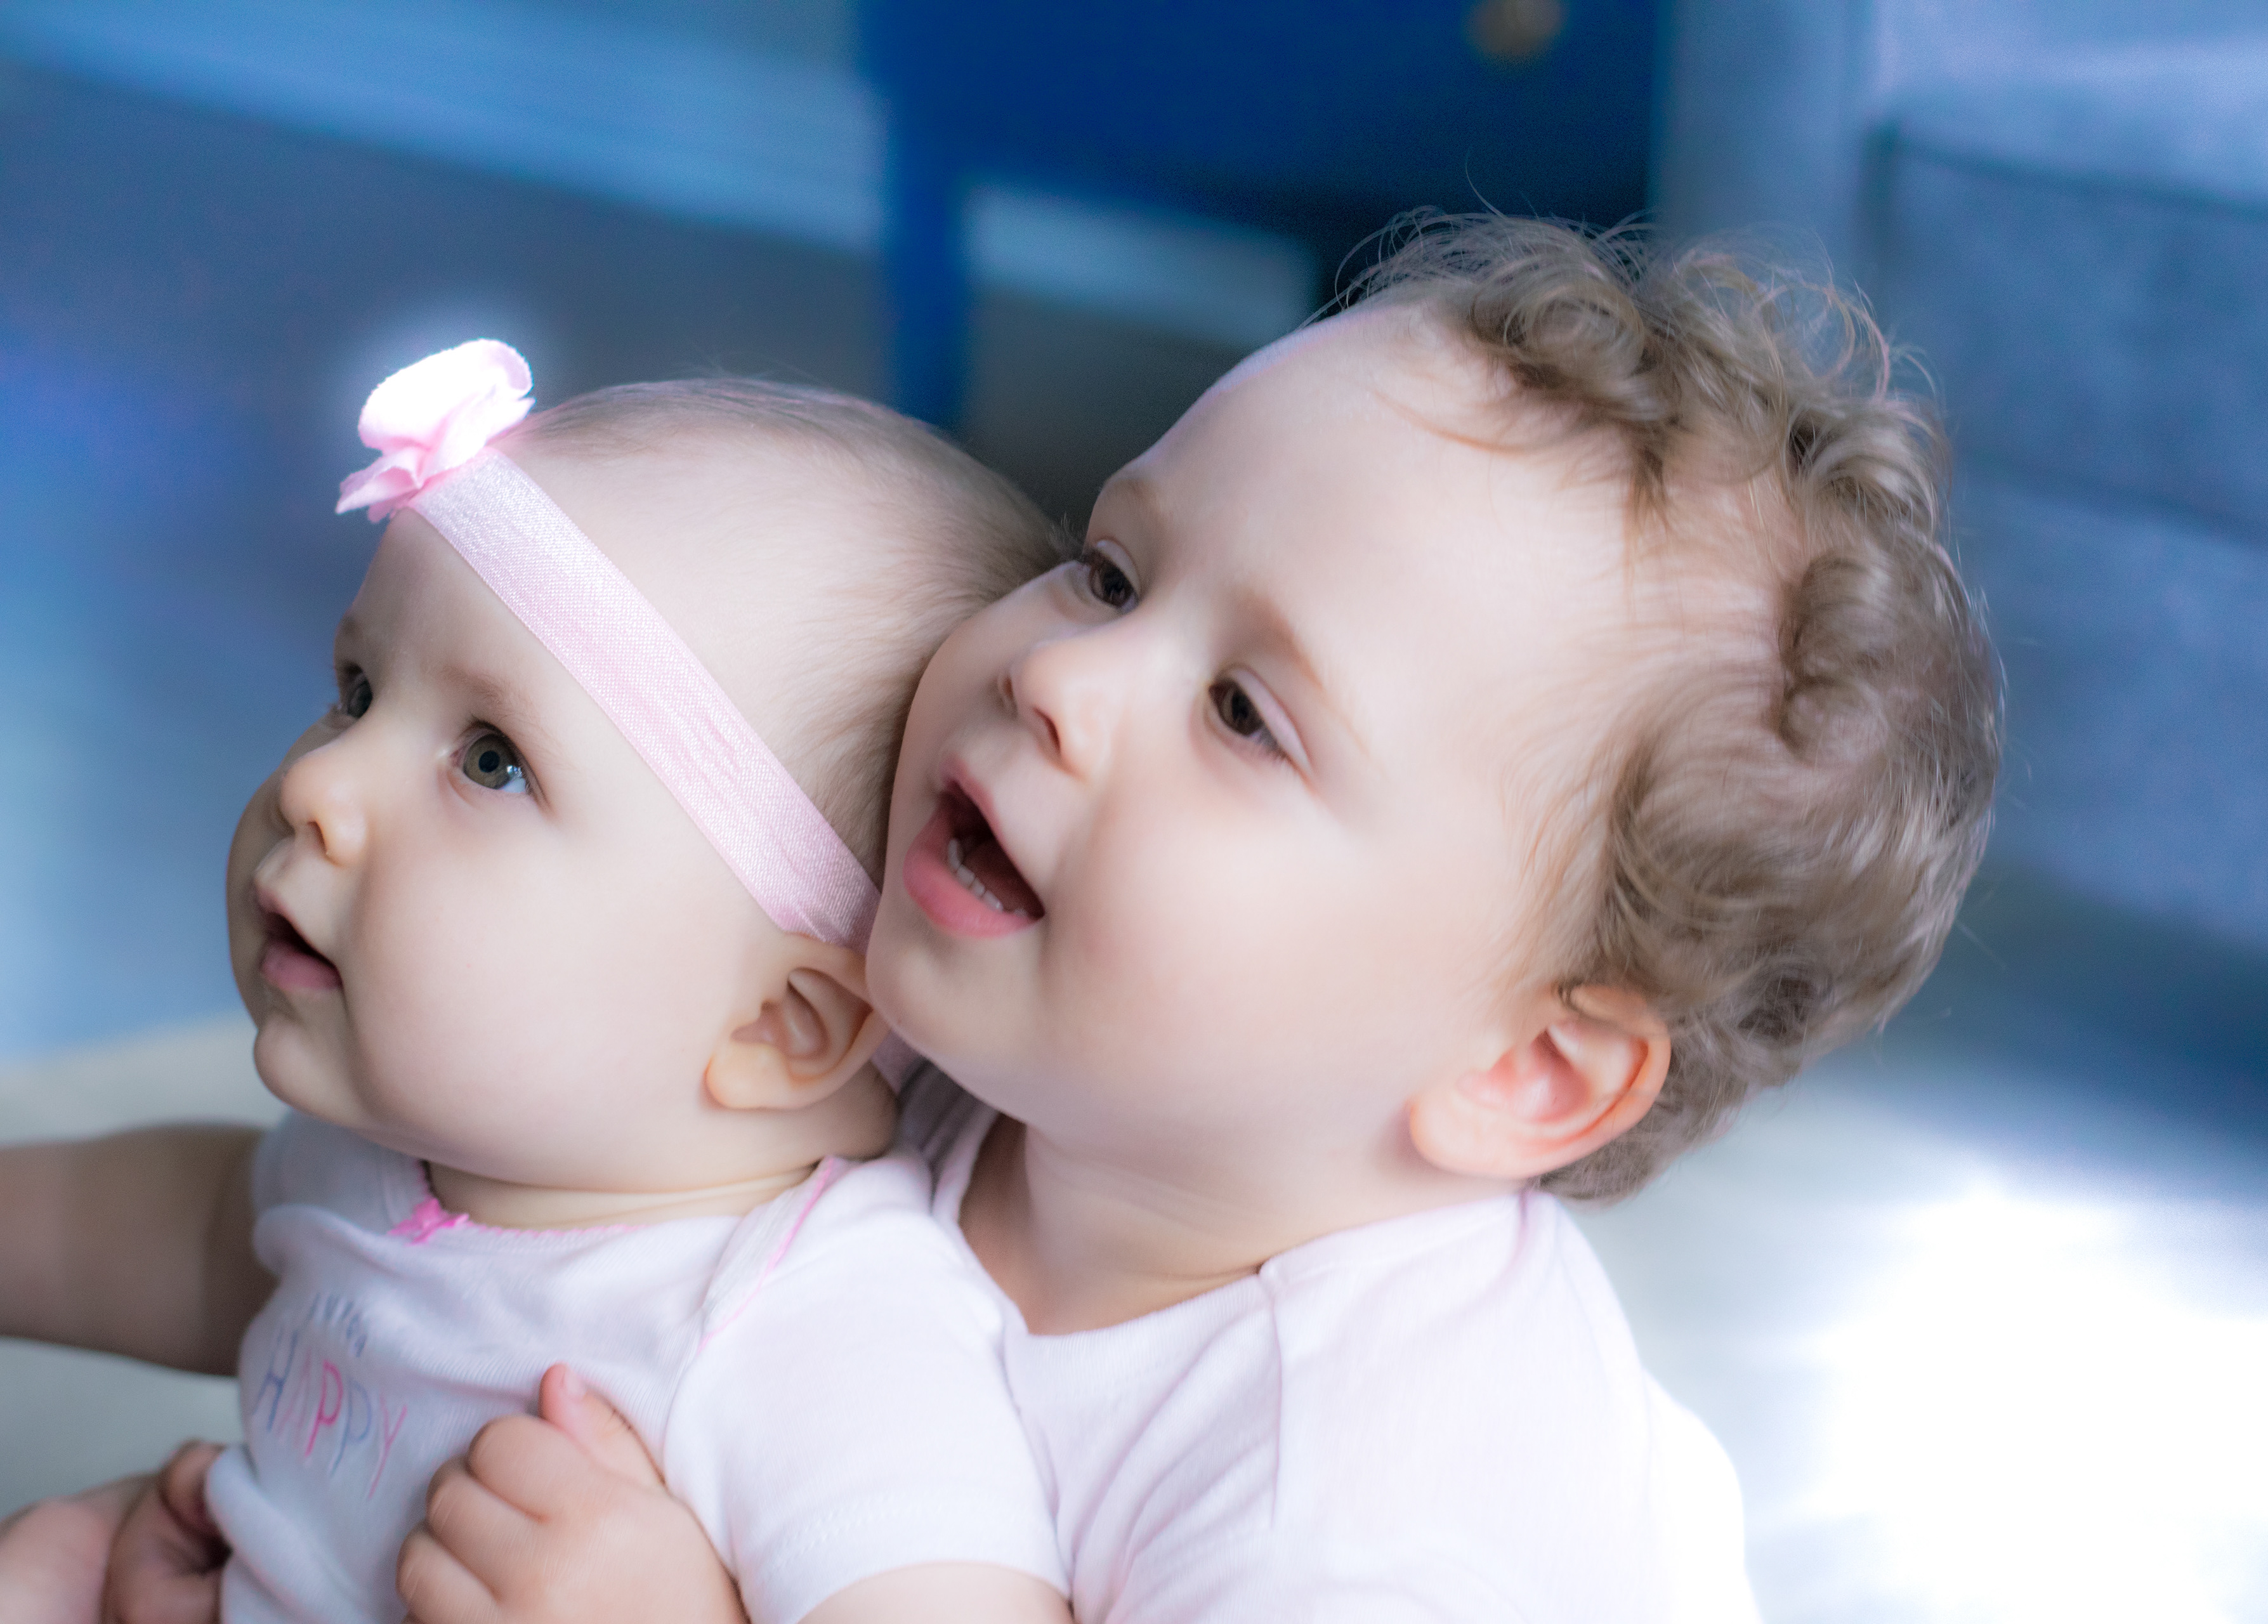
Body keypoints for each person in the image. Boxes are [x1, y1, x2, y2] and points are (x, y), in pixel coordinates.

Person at [398, 215, 2003, 1622]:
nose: (1058, 672)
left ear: (1525, 1069)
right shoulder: (1041, 1059)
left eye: (1243, 714)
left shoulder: (1357, 1527)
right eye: (1110, 570)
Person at [0, 343, 1077, 1624]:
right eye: (357, 691)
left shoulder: (813, 1338)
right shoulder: (407, 1152)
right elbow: (189, 1241)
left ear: (779, 1024)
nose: (317, 784)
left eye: (493, 761)